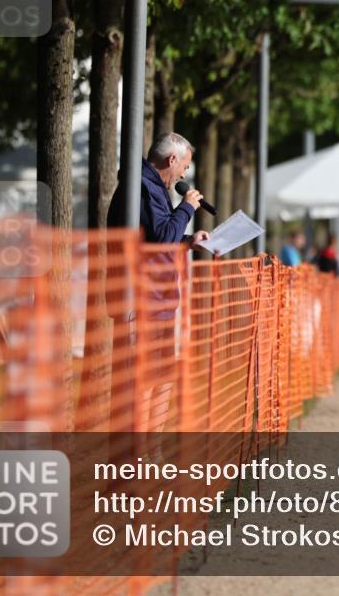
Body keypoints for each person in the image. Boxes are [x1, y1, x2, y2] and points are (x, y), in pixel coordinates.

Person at [106, 132, 210, 447]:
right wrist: (187, 208)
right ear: (171, 160)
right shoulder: (142, 187)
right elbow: (160, 238)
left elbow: (158, 239)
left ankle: (152, 448)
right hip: (143, 301)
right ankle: (137, 452)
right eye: (185, 167)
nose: (184, 175)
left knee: (162, 377)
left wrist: (187, 241)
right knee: (144, 380)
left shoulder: (153, 188)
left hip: (161, 300)